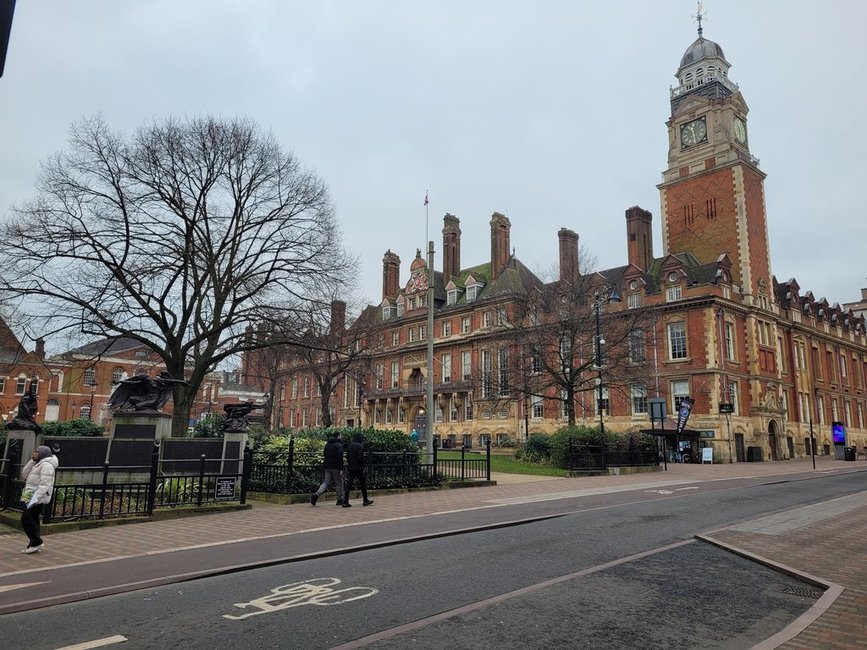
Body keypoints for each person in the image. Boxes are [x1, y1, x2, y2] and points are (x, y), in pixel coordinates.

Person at [20, 445, 59, 554]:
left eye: (37, 452)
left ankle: (36, 541)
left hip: (36, 496)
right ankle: (35, 542)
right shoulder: (37, 463)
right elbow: (24, 474)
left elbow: (45, 483)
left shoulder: (47, 465)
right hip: (30, 493)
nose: (34, 453)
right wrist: (32, 461)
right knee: (33, 518)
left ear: (43, 453)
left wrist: (37, 497)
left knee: (26, 519)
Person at [310, 433, 346, 507]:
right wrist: (341, 468)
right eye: (340, 436)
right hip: (336, 466)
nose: (341, 437)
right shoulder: (339, 445)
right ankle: (340, 499)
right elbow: (340, 457)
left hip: (327, 465)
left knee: (326, 482)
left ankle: (316, 495)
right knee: (338, 482)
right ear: (338, 436)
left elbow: (324, 454)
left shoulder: (327, 444)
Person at [343, 432, 373, 507]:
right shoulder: (360, 446)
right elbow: (360, 457)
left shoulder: (350, 445)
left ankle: (345, 501)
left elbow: (347, 456)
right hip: (358, 468)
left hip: (351, 467)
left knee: (349, 485)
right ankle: (365, 500)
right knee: (363, 484)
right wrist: (363, 464)